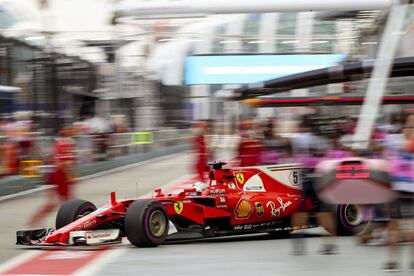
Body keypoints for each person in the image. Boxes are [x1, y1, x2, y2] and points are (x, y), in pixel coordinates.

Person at [290, 115, 338, 255]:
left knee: (300, 211)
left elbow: (293, 153)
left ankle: (298, 243)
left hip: (306, 177)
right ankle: (329, 244)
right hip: (321, 176)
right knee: (323, 212)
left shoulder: (298, 138)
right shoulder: (323, 141)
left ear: (301, 126)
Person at [28, 126, 76, 226]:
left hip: (54, 174)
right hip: (60, 175)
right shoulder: (66, 143)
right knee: (70, 203)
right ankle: (74, 223)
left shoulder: (58, 143)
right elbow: (63, 163)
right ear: (63, 131)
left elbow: (57, 160)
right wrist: (69, 176)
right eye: (70, 128)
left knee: (56, 203)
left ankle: (35, 220)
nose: (72, 130)